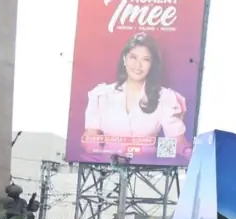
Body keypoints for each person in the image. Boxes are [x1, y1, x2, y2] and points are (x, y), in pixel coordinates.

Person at [81, 32, 190, 161]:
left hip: (148, 171)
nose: (138, 65)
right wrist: (104, 157)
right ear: (124, 59)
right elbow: (90, 141)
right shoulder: (101, 95)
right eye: (133, 57)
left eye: (145, 59)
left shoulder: (165, 97)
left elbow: (176, 142)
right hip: (109, 169)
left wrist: (159, 158)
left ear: (152, 64)